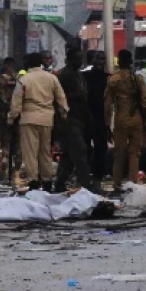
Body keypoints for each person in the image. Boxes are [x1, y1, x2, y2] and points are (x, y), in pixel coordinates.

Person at [8, 53, 68, 191]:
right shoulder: (52, 78)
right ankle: (47, 182)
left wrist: (11, 119)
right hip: (47, 119)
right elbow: (61, 98)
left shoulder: (23, 80)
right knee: (45, 152)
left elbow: (16, 103)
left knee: (30, 153)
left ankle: (33, 182)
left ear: (28, 64)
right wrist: (64, 115)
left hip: (28, 119)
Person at [104, 49, 146, 193]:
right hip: (136, 120)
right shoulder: (138, 79)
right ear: (130, 61)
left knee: (119, 153)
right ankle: (132, 182)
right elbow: (144, 101)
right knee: (134, 153)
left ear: (119, 61)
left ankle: (117, 184)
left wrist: (107, 124)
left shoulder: (113, 80)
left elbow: (107, 105)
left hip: (120, 120)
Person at [54, 48, 95, 193]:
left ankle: (60, 182)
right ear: (70, 59)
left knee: (69, 155)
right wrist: (75, 95)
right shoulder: (64, 75)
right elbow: (58, 98)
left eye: (80, 58)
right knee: (79, 150)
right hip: (69, 119)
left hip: (80, 118)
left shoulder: (78, 75)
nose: (80, 61)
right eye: (77, 58)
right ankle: (85, 182)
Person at [82, 50, 110, 180]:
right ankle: (89, 174)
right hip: (89, 115)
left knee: (98, 147)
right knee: (90, 147)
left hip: (99, 116)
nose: (100, 61)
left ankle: (93, 174)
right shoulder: (84, 76)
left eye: (102, 58)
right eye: (98, 58)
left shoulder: (108, 78)